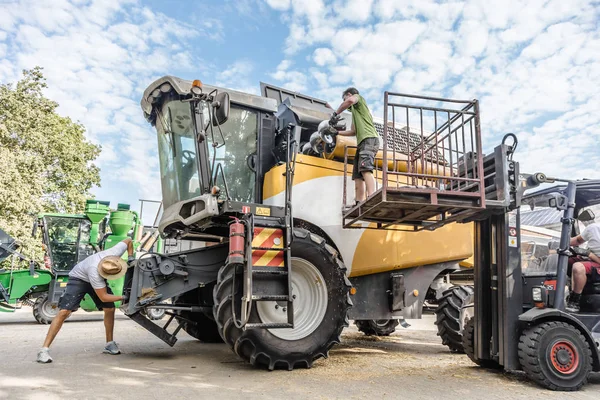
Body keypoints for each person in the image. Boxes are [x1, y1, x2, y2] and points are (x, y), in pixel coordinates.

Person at [36, 238, 133, 363]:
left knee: (109, 308)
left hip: (94, 277)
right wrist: (124, 297)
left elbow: (129, 241)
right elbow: (103, 297)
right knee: (64, 311)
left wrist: (130, 257)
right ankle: (43, 350)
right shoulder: (95, 272)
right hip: (78, 278)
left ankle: (109, 344)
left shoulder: (114, 254)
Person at [330, 87, 380, 204]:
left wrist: (335, 113)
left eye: (344, 98)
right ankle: (359, 201)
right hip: (362, 142)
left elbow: (350, 101)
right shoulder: (356, 114)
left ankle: (372, 196)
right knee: (358, 174)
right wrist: (336, 133)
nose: (344, 102)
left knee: (366, 168)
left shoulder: (359, 98)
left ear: (349, 94)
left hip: (369, 139)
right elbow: (353, 132)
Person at [566, 221, 600, 312]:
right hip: (592, 260)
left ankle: (575, 300)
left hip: (597, 263)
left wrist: (589, 254)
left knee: (578, 267)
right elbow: (577, 240)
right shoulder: (593, 228)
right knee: (565, 261)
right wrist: (562, 242)